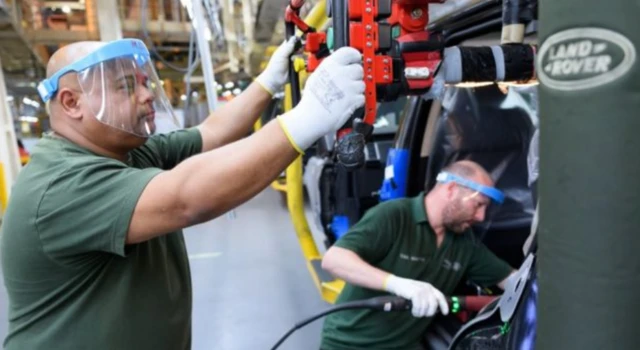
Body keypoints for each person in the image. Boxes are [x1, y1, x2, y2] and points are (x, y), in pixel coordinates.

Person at [0, 37, 365, 349]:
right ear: (71, 103)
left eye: (145, 82)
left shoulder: (128, 152)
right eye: (127, 86)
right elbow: (185, 198)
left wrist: (269, 81)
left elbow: (213, 133)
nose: (146, 96)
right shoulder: (59, 186)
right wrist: (310, 117)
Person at [320, 160, 516, 350]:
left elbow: (513, 281)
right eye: (478, 204)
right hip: (348, 343)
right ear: (451, 190)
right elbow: (334, 259)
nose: (481, 217)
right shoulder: (395, 215)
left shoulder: (465, 242)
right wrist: (397, 284)